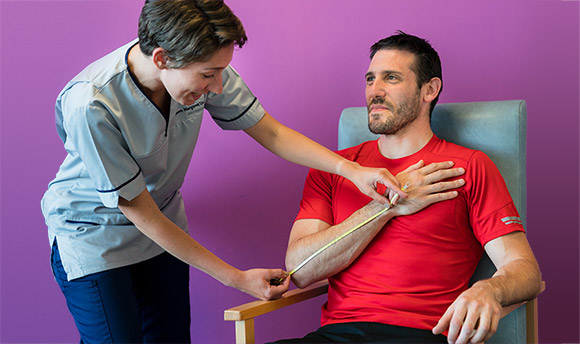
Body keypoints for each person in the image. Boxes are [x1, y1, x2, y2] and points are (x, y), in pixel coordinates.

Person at [41, 1, 408, 343]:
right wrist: (237, 279)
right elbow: (141, 212)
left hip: (163, 223)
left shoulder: (199, 63)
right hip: (95, 234)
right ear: (162, 58)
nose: (217, 86)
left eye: (221, 71)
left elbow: (272, 132)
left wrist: (352, 170)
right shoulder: (91, 103)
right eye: (209, 75)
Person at [278, 32, 542, 344]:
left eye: (391, 78)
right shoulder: (336, 168)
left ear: (429, 89)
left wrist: (490, 288)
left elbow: (525, 270)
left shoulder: (468, 166)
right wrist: (387, 205)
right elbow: (300, 269)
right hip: (336, 335)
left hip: (419, 335)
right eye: (370, 79)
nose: (374, 91)